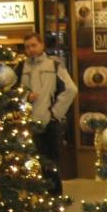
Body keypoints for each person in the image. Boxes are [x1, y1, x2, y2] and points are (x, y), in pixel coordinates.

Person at [17, 32, 77, 195]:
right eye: (27, 47)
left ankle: (54, 197)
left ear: (42, 45)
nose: (31, 49)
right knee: (30, 161)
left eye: (34, 45)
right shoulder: (21, 67)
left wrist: (55, 113)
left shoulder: (54, 65)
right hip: (27, 122)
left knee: (50, 162)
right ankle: (37, 196)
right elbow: (12, 91)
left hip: (48, 122)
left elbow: (71, 89)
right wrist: (25, 97)